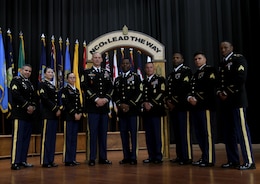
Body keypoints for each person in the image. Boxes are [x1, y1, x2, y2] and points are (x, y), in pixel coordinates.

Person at [217, 41, 256, 170]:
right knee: (229, 133)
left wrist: (227, 92)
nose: (223, 50)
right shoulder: (222, 63)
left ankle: (249, 161)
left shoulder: (238, 59)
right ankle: (233, 160)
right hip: (225, 103)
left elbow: (240, 78)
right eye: (221, 48)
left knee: (242, 131)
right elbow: (219, 81)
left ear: (231, 48)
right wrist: (220, 92)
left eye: (225, 47)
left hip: (237, 100)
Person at [81, 52, 113, 166]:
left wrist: (105, 99)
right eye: (95, 57)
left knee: (103, 134)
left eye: (99, 58)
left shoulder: (107, 72)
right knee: (92, 133)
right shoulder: (86, 72)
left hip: (104, 108)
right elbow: (84, 86)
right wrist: (96, 99)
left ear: (102, 60)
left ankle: (103, 158)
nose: (97, 59)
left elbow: (111, 87)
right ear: (92, 59)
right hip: (92, 108)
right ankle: (92, 158)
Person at [187, 52, 217, 167]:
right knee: (199, 133)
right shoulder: (195, 74)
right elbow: (191, 88)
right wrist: (189, 97)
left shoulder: (210, 71)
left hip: (206, 106)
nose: (197, 61)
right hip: (196, 107)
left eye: (199, 58)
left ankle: (209, 159)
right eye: (195, 59)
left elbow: (210, 87)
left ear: (205, 59)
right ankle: (204, 156)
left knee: (207, 133)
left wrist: (197, 98)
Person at [165, 52, 193, 165]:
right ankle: (179, 155)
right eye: (173, 58)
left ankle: (187, 157)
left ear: (182, 59)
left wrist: (174, 102)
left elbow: (184, 88)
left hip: (182, 106)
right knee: (177, 133)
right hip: (173, 108)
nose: (175, 59)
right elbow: (169, 89)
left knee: (184, 132)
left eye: (177, 58)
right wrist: (168, 100)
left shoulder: (186, 71)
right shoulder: (172, 73)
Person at [113, 58, 142, 165]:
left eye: (127, 63)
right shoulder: (118, 79)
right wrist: (120, 104)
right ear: (121, 65)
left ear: (130, 65)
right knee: (123, 134)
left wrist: (129, 105)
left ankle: (133, 157)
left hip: (133, 111)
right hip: (121, 111)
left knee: (133, 134)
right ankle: (126, 156)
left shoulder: (136, 77)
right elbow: (115, 94)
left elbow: (140, 93)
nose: (125, 65)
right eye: (123, 63)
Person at [10, 64, 37, 170]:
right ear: (21, 70)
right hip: (19, 114)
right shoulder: (16, 81)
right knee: (18, 139)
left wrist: (33, 107)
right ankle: (15, 162)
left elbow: (34, 97)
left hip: (28, 116)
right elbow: (16, 94)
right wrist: (27, 105)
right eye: (26, 70)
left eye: (29, 71)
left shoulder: (30, 84)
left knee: (26, 139)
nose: (28, 73)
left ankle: (22, 160)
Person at [141, 61, 166, 164]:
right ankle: (151, 156)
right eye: (147, 68)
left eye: (150, 67)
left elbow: (162, 92)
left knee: (156, 134)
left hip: (156, 110)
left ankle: (158, 156)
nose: (149, 69)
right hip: (146, 112)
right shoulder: (143, 82)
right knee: (149, 135)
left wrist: (150, 104)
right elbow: (141, 95)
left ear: (154, 68)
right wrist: (144, 103)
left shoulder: (160, 79)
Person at [38, 67, 61, 168]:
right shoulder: (43, 84)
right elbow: (44, 98)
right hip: (47, 114)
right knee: (46, 138)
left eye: (52, 72)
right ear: (44, 74)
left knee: (52, 138)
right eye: (48, 72)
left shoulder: (53, 86)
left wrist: (58, 109)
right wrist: (56, 108)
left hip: (54, 115)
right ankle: (45, 160)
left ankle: (51, 160)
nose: (51, 74)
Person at [61, 72, 83, 166]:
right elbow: (66, 103)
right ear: (67, 79)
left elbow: (79, 103)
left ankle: (73, 158)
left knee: (74, 138)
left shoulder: (77, 90)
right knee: (68, 138)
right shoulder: (65, 90)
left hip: (76, 117)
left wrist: (80, 113)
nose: (72, 79)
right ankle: (67, 159)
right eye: (70, 78)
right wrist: (74, 113)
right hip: (69, 117)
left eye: (74, 78)